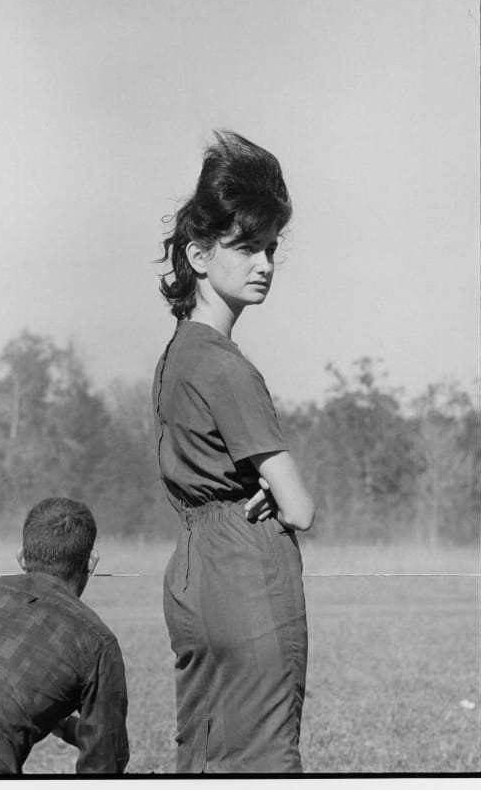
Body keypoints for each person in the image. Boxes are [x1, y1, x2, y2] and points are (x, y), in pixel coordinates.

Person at [152, 131, 315, 773]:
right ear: (197, 254)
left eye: (270, 248)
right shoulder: (224, 366)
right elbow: (300, 508)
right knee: (262, 760)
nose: (264, 264)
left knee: (205, 755)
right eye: (246, 247)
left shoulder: (175, 358)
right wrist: (277, 486)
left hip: (191, 570)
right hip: (246, 572)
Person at [0, 497, 129, 776]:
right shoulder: (97, 642)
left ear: (21, 557)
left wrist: (64, 725)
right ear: (91, 561)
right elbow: (104, 764)